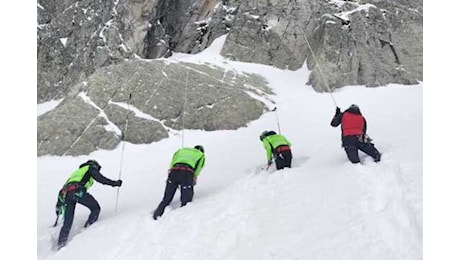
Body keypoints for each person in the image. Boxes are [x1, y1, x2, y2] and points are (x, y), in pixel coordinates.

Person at [55, 160, 122, 249]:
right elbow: (101, 179)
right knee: (95, 208)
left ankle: (60, 244)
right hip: (78, 192)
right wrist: (115, 183)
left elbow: (62, 190)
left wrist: (59, 206)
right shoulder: (90, 168)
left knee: (67, 222)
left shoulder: (76, 173)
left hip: (67, 195)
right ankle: (88, 231)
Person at [153, 145, 206, 220]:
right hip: (187, 173)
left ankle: (156, 216)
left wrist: (170, 176)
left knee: (166, 199)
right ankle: (181, 221)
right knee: (186, 201)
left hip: (174, 171)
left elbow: (172, 162)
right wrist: (194, 179)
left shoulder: (181, 150)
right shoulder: (201, 155)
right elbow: (198, 169)